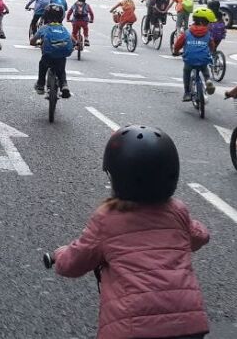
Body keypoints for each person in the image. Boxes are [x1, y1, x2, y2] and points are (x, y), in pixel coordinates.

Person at [50, 126, 210, 339]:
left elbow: (73, 263)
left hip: (132, 330)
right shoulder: (178, 210)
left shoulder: (107, 217)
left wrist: (59, 255)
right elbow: (199, 236)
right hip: (189, 326)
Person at [172, 8, 216, 101]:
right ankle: (208, 80)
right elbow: (212, 45)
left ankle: (187, 93)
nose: (209, 25)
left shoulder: (187, 32)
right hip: (203, 59)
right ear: (203, 22)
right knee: (205, 69)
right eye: (208, 23)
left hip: (189, 59)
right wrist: (211, 52)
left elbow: (178, 44)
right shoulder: (207, 34)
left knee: (186, 72)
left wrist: (176, 52)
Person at [30, 5, 74, 98]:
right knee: (61, 70)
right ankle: (64, 85)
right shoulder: (63, 28)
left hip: (48, 55)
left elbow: (32, 41)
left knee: (43, 65)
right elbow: (73, 40)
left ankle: (41, 85)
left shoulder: (44, 28)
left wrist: (35, 43)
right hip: (62, 54)